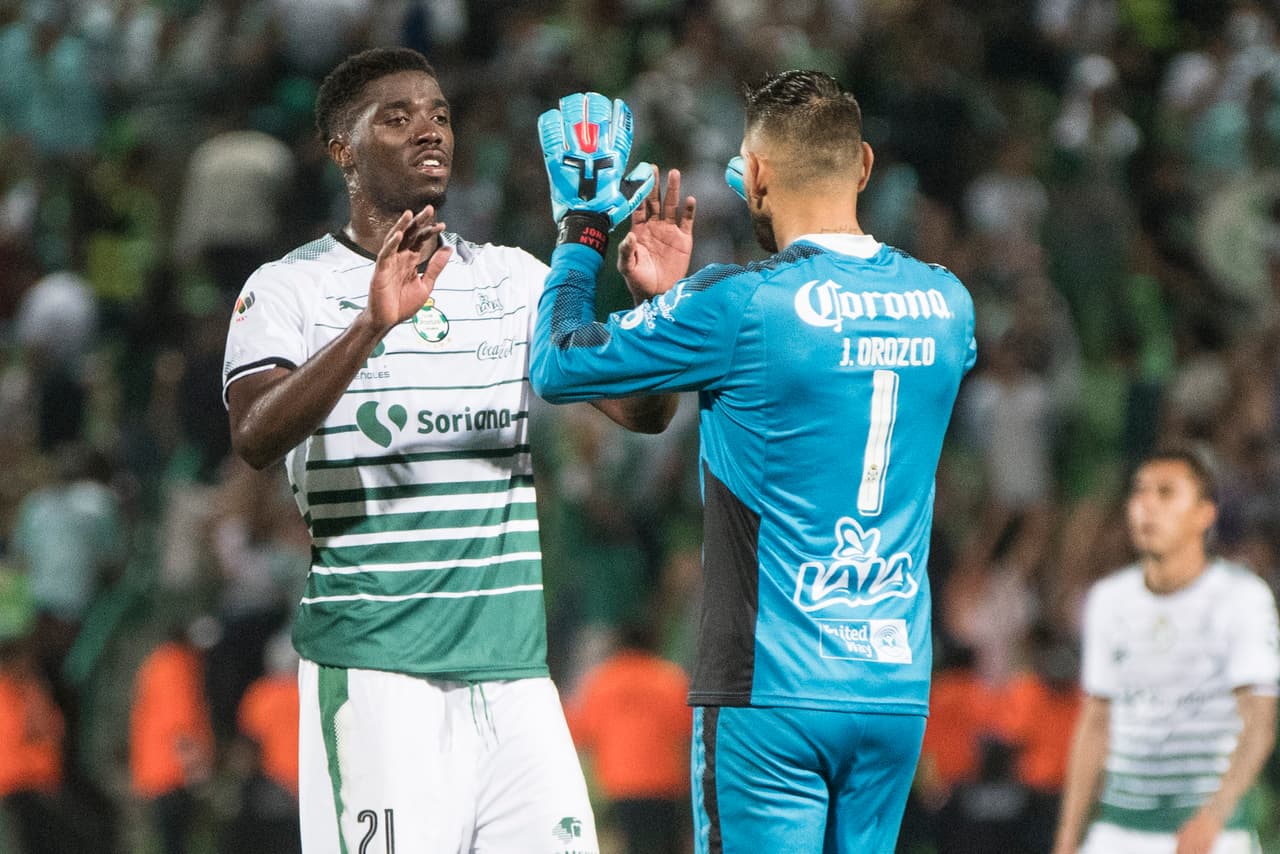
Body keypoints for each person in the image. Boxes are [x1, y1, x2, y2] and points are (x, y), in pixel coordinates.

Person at [222, 46, 680, 854]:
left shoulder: (511, 280)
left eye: (438, 114)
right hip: (377, 680)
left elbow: (642, 412)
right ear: (342, 149)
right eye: (395, 118)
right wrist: (370, 325)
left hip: (515, 683)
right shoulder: (287, 288)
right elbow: (254, 435)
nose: (428, 130)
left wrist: (658, 308)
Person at [532, 70, 977, 852]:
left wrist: (584, 233)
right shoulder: (948, 303)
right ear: (864, 166)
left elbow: (560, 361)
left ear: (755, 176)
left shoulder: (738, 304)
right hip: (891, 687)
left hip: (768, 691)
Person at [1052, 449, 1280, 854]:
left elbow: (1259, 721)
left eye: (1166, 493)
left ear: (1205, 513)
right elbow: (1096, 722)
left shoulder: (1241, 597)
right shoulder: (1108, 600)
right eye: (1139, 493)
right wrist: (1068, 837)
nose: (1147, 507)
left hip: (1211, 832)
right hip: (1119, 829)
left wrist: (1214, 816)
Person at [565, 621, 692, 854]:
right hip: (664, 784)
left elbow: (582, 733)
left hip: (619, 784)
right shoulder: (669, 678)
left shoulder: (601, 681)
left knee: (631, 846)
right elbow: (688, 729)